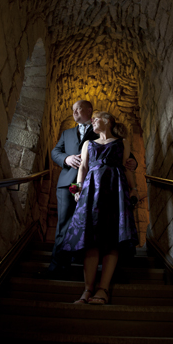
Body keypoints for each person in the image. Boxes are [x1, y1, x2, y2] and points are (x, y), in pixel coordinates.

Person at [47, 100, 138, 278]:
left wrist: (132, 161)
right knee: (65, 224)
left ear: (89, 111)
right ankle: (59, 267)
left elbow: (120, 153)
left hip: (100, 186)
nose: (74, 112)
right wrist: (66, 159)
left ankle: (109, 269)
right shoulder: (67, 133)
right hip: (71, 184)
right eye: (72, 110)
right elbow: (55, 152)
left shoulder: (100, 130)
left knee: (104, 224)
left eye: (77, 109)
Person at [61, 111, 139, 304]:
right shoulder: (88, 144)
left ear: (108, 121)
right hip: (91, 191)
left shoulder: (122, 142)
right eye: (93, 118)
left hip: (116, 190)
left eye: (97, 118)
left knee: (112, 239)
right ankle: (87, 290)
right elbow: (83, 168)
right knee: (90, 239)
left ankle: (102, 290)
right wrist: (76, 190)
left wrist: (134, 189)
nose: (93, 121)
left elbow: (126, 167)